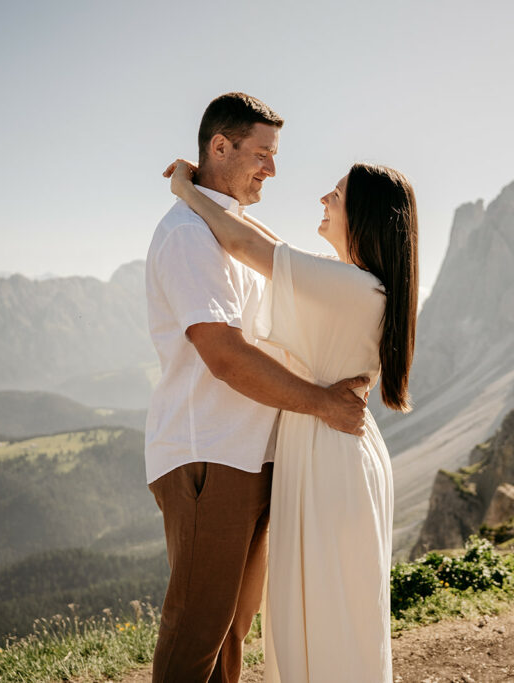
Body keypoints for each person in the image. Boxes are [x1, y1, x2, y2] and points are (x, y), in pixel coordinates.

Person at [164, 155, 418, 683]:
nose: (324, 200)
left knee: (325, 606)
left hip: (331, 450)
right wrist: (216, 198)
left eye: (337, 195)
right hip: (332, 443)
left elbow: (246, 245)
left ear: (364, 217)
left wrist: (188, 192)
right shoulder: (354, 283)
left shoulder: (349, 286)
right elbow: (264, 237)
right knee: (330, 603)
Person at [144, 92, 370, 683]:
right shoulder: (188, 236)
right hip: (210, 453)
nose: (273, 169)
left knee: (230, 632)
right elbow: (223, 355)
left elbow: (274, 254)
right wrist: (324, 403)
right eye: (263, 154)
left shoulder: (228, 228)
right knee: (198, 627)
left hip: (251, 454)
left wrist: (192, 187)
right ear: (220, 146)